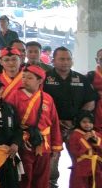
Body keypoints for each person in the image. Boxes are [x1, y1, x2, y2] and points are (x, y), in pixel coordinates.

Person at [43, 46, 96, 188]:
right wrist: (55, 121)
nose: (65, 62)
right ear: (53, 60)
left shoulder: (81, 79)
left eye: (68, 59)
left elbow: (91, 101)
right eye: (61, 59)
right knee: (52, 158)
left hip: (75, 128)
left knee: (81, 158)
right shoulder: (45, 78)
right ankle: (51, 184)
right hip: (52, 127)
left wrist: (78, 120)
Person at [6, 65, 62, 188]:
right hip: (24, 142)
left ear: (40, 80)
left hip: (44, 144)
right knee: (24, 177)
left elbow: (54, 123)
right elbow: (8, 120)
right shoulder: (15, 95)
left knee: (42, 177)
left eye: (29, 78)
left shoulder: (47, 98)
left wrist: (56, 146)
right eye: (23, 77)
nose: (24, 80)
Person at [68, 111, 102, 188]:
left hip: (96, 166)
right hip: (81, 167)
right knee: (80, 184)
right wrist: (84, 140)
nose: (87, 124)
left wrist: (96, 141)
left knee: (97, 183)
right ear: (79, 122)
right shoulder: (75, 135)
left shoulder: (96, 134)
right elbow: (74, 151)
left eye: (90, 122)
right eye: (84, 122)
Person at [88, 49, 102, 135]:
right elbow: (85, 95)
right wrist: (97, 94)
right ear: (97, 60)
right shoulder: (90, 76)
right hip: (96, 114)